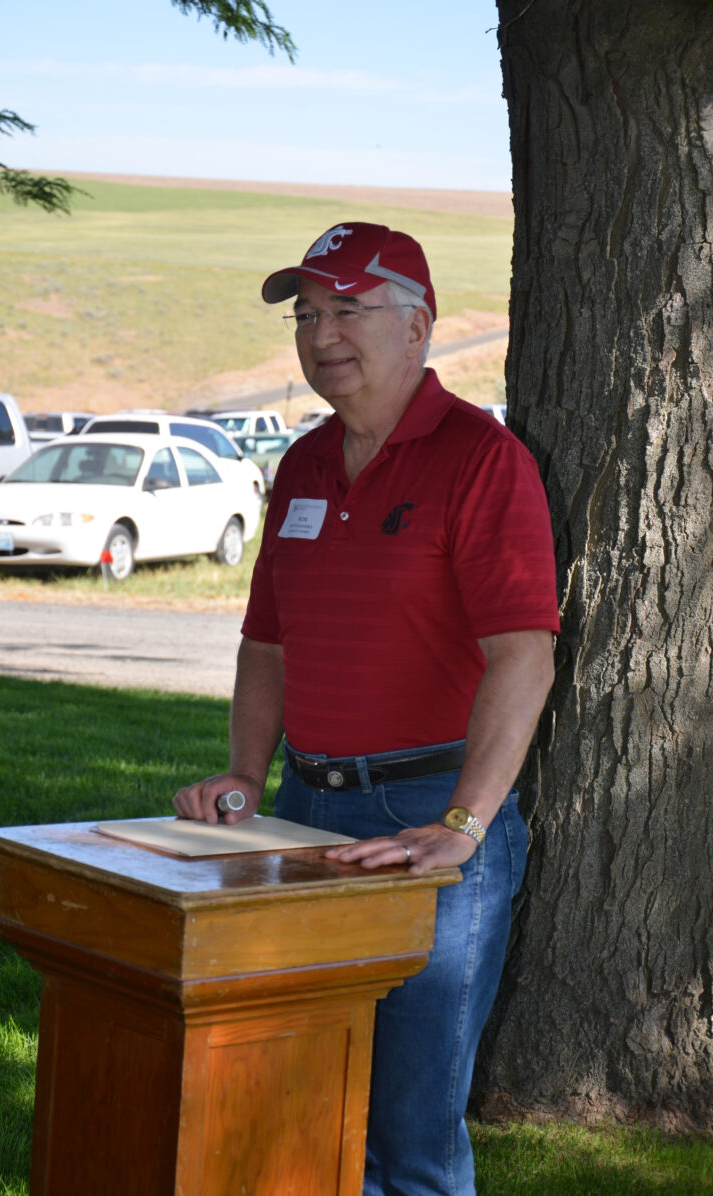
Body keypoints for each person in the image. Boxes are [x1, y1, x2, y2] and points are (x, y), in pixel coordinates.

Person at [174, 222, 560, 1195]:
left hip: (427, 826)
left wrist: (463, 824)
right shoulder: (303, 464)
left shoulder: (483, 459)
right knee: (303, 1106)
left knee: (409, 1137)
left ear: (418, 324)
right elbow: (268, 641)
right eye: (308, 313)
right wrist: (243, 777)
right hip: (304, 813)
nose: (321, 333)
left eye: (349, 308)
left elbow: (525, 655)